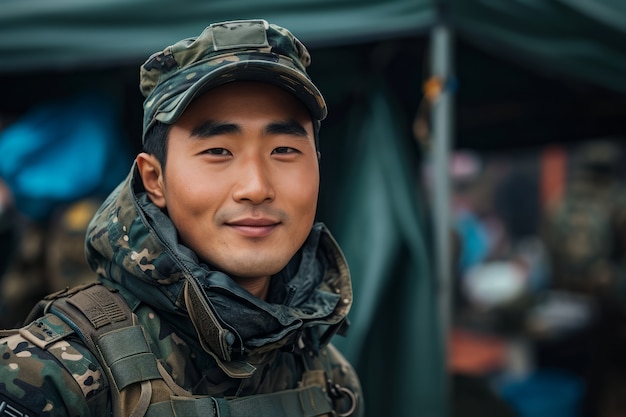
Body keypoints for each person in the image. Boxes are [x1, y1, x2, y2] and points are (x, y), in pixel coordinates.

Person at [0, 19, 363, 417]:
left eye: (284, 150)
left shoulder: (326, 375)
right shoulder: (49, 376)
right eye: (218, 152)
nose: (257, 187)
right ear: (154, 179)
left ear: (318, 167)